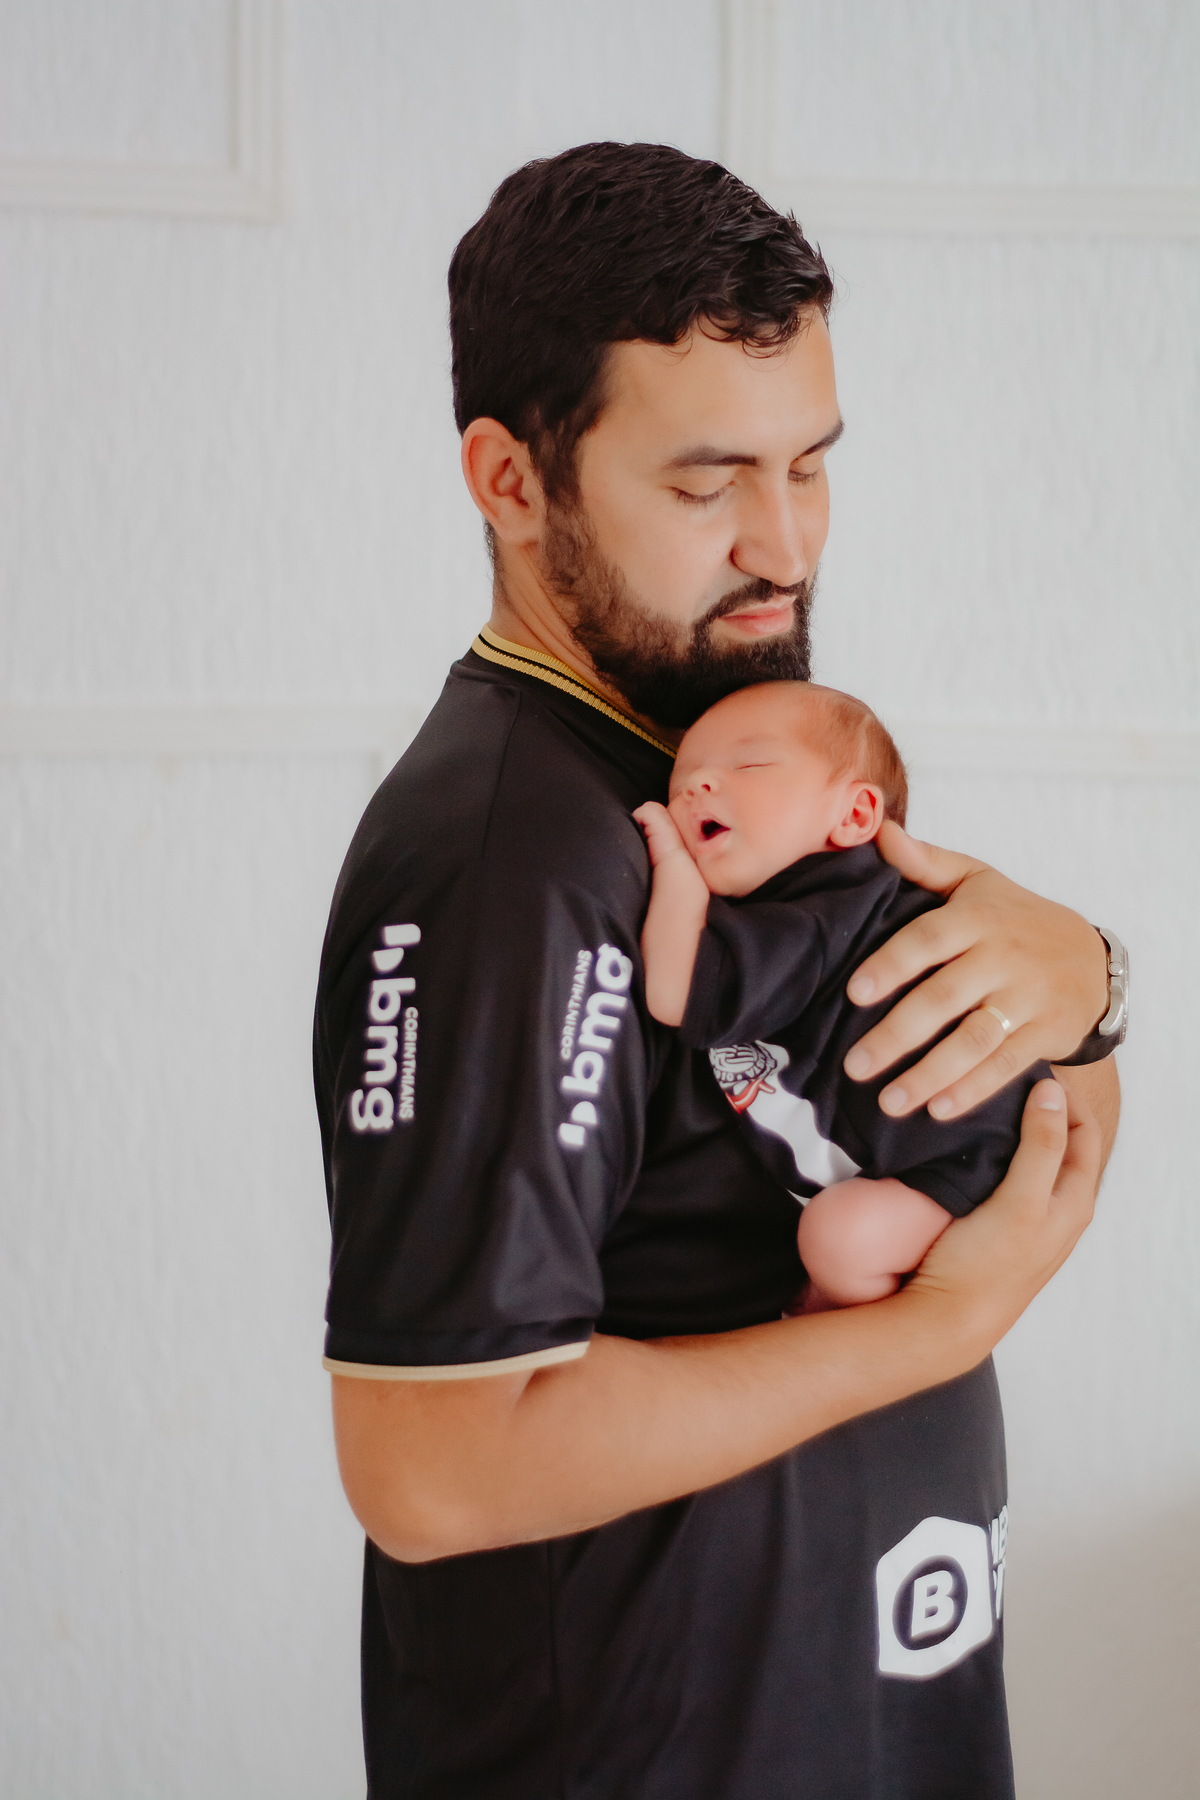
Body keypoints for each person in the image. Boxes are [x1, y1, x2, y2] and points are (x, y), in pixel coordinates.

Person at [315, 143, 1119, 1800]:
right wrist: (940, 1328)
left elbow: (950, 1099)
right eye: (708, 484)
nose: (785, 543)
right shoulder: (507, 862)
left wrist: (1093, 983)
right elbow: (434, 1467)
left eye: (810, 466)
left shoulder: (724, 766)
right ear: (511, 480)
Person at [634, 679, 1055, 1312]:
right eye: (680, 783)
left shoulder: (821, 910)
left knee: (841, 1239)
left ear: (855, 816)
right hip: (954, 1152)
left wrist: (672, 867)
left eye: (748, 765)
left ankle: (818, 1317)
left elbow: (675, 991)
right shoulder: (823, 908)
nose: (696, 787)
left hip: (964, 1164)